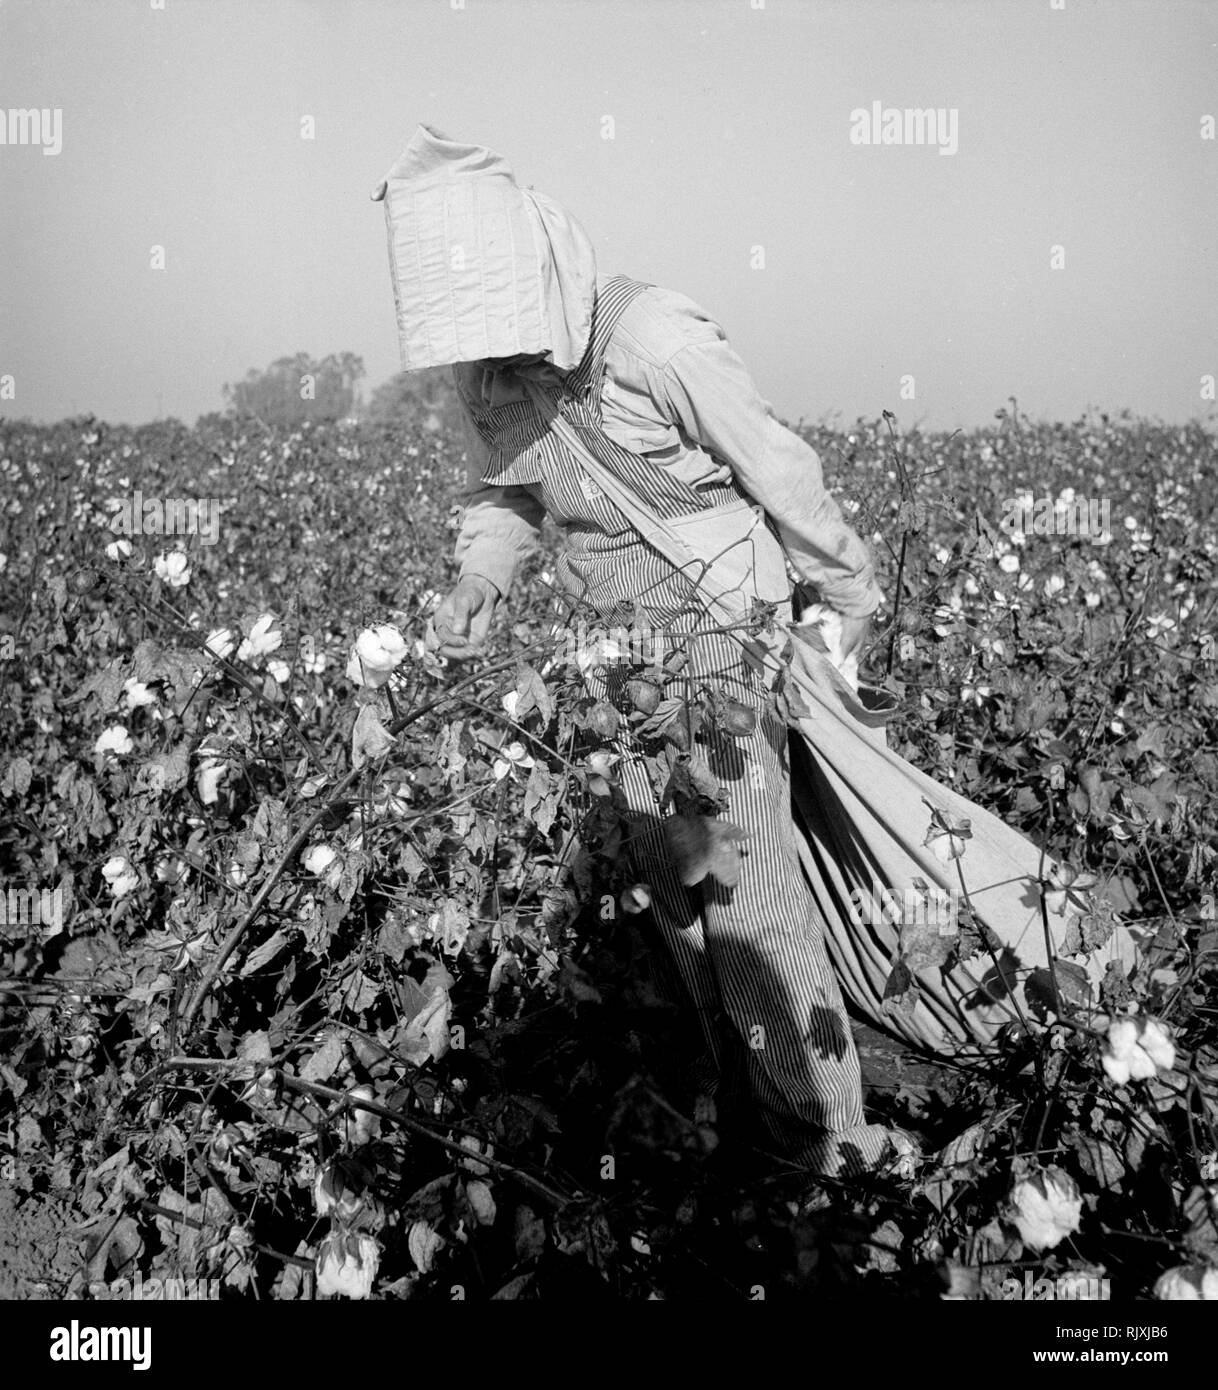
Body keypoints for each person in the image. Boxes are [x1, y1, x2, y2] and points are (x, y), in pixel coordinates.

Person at [373, 125, 898, 1175]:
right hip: (616, 658)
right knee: (668, 885)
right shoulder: (488, 382)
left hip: (719, 637)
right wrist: (481, 575)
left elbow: (780, 471)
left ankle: (824, 1145)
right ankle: (741, 1106)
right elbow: (509, 494)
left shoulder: (654, 338)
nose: (490, 356)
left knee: (743, 888)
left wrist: (847, 598)